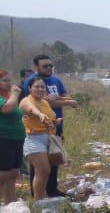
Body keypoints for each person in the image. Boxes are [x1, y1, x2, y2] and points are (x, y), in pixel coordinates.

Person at [19, 54, 77, 198]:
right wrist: (67, 102)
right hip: (35, 135)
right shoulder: (30, 84)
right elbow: (32, 106)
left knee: (53, 160)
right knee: (40, 167)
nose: (49, 68)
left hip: (52, 131)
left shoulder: (55, 80)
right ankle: (37, 196)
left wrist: (58, 106)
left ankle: (51, 189)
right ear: (36, 67)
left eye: (51, 65)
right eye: (45, 66)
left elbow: (65, 98)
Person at [19, 77, 58, 202]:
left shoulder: (45, 102)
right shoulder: (26, 100)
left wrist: (56, 122)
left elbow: (50, 118)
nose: (40, 89)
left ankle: (41, 198)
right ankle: (37, 201)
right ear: (30, 88)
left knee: (45, 172)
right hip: (33, 139)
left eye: (42, 87)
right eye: (37, 86)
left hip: (48, 138)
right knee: (43, 170)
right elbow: (31, 109)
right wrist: (39, 114)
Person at [0, 71, 24, 204]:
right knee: (3, 173)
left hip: (16, 139)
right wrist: (15, 94)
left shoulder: (8, 96)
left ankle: (10, 204)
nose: (8, 83)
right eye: (4, 80)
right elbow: (7, 108)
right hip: (4, 139)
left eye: (9, 80)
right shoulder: (8, 98)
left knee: (13, 173)